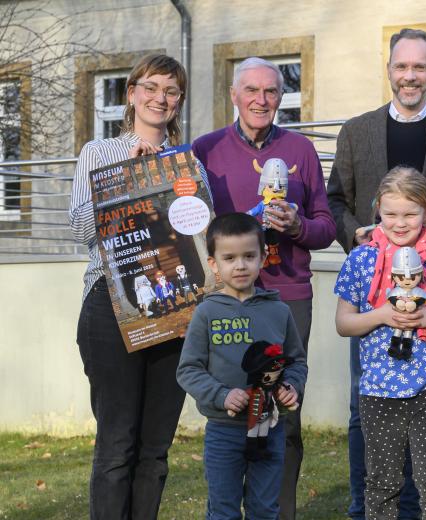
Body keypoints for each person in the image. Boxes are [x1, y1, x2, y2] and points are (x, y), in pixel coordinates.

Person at [191, 56, 336, 519]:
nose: (261, 99)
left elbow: (326, 227)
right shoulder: (205, 149)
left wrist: (296, 225)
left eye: (271, 91)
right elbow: (187, 222)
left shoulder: (300, 150)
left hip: (286, 296)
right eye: (251, 90)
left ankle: (277, 513)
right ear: (233, 95)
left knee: (283, 412)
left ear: (281, 97)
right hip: (226, 298)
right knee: (228, 410)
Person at [327, 28, 426, 519]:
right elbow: (335, 198)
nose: (410, 76)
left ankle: (420, 506)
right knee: (365, 412)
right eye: (401, 67)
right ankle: (368, 507)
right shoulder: (357, 130)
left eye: (420, 68)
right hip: (373, 294)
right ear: (388, 70)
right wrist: (356, 238)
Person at [69, 53, 194, 520]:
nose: (160, 98)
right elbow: (82, 227)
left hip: (173, 302)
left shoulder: (188, 163)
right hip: (110, 302)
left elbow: (200, 235)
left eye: (171, 90)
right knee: (117, 442)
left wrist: (166, 181)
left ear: (179, 102)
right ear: (132, 93)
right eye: (152, 87)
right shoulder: (97, 153)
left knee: (155, 447)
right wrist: (129, 180)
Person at [333, 168, 426, 520]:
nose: (399, 223)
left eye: (410, 213)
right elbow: (344, 323)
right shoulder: (361, 260)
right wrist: (381, 315)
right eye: (391, 213)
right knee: (380, 482)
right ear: (378, 209)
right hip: (379, 389)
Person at [177, 213, 308, 519]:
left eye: (249, 256)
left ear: (263, 258)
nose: (240, 265)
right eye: (229, 258)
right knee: (223, 510)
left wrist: (291, 387)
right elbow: (188, 369)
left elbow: (296, 362)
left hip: (270, 428)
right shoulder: (206, 313)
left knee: (264, 509)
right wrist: (221, 394)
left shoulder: (278, 310)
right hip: (224, 431)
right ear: (214, 264)